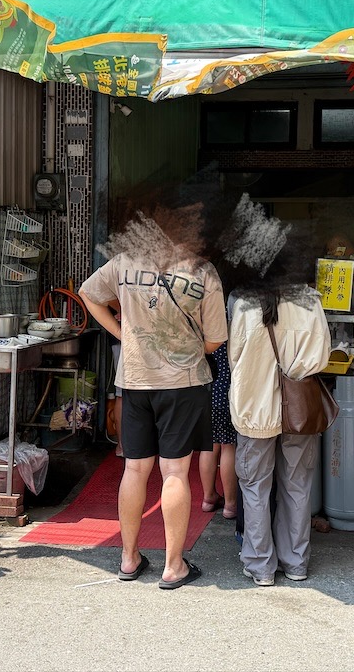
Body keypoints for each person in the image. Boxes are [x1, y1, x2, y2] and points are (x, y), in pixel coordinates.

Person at [79, 205, 227, 590]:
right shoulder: (202, 273)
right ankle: (173, 566)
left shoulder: (124, 262)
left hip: (135, 381)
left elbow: (88, 294)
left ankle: (129, 559)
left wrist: (121, 333)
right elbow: (215, 340)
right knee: (175, 472)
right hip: (183, 383)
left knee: (134, 469)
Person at [229, 279, 330, 586]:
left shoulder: (244, 300)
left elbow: (236, 358)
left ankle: (260, 566)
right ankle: (296, 563)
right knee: (297, 485)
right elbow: (321, 356)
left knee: (255, 486)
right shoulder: (310, 300)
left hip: (254, 407)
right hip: (298, 409)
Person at [199, 341, 238, 519]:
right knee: (228, 444)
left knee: (209, 444)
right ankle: (230, 504)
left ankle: (208, 498)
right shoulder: (230, 319)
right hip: (227, 389)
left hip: (206, 388)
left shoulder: (205, 318)